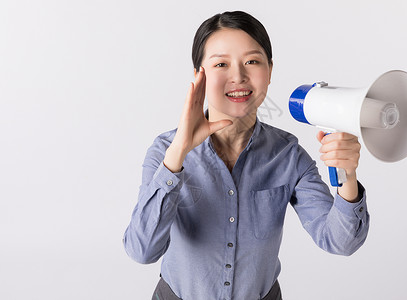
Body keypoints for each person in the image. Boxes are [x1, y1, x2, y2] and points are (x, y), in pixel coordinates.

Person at [123, 11, 369, 300]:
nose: (238, 76)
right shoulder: (165, 151)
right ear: (198, 75)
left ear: (270, 70)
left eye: (252, 61)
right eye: (221, 64)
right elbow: (142, 251)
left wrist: (347, 178)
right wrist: (178, 154)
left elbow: (339, 242)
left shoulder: (287, 155)